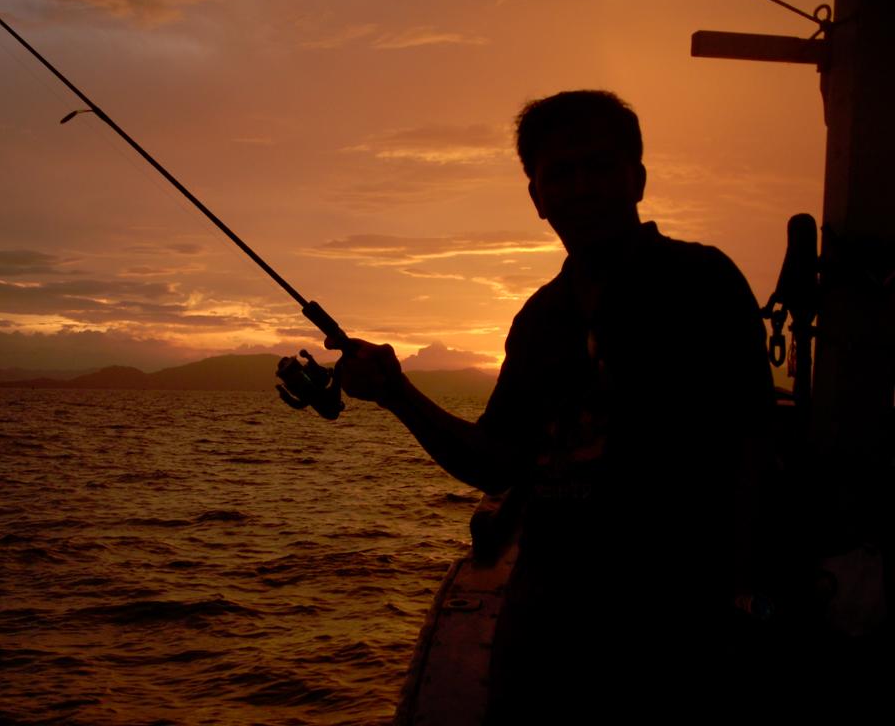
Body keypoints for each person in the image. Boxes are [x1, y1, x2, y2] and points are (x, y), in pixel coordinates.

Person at [332, 91, 776, 701]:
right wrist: (396, 392)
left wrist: (746, 597)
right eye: (560, 173)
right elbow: (496, 462)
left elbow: (754, 444)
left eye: (599, 166)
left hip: (681, 617)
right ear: (537, 198)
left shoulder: (703, 281)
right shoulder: (540, 317)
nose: (581, 187)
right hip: (551, 618)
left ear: (637, 179)